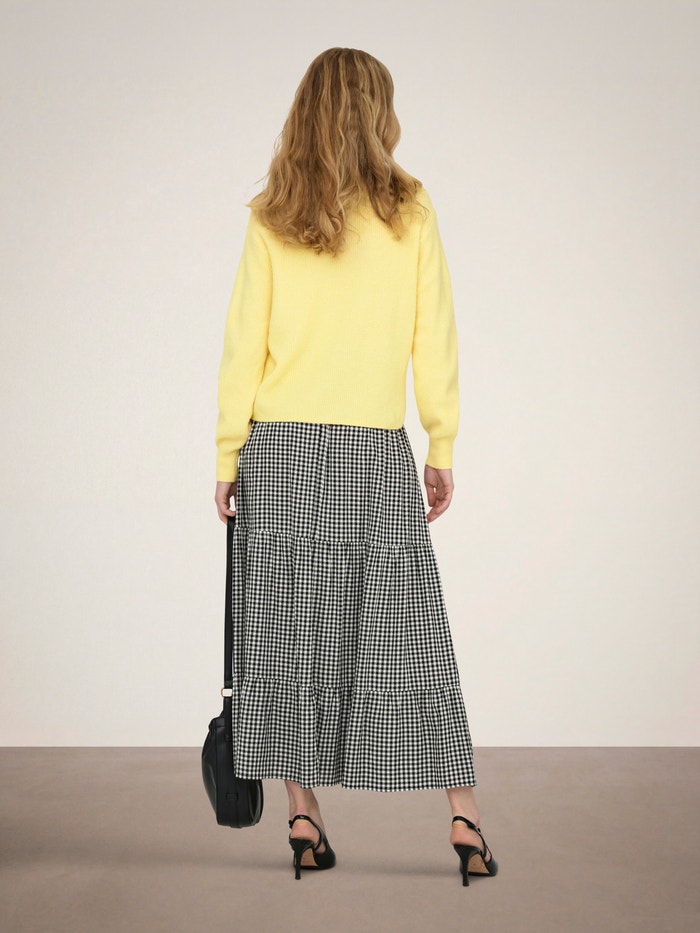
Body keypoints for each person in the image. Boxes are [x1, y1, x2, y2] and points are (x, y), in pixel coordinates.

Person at [213, 47, 498, 886]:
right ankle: (465, 818)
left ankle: (303, 816)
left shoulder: (271, 214)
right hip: (373, 449)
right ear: (379, 111)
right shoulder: (410, 208)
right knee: (410, 633)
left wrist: (227, 453)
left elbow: (242, 345)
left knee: (285, 636)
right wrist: (440, 443)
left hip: (279, 450)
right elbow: (434, 334)